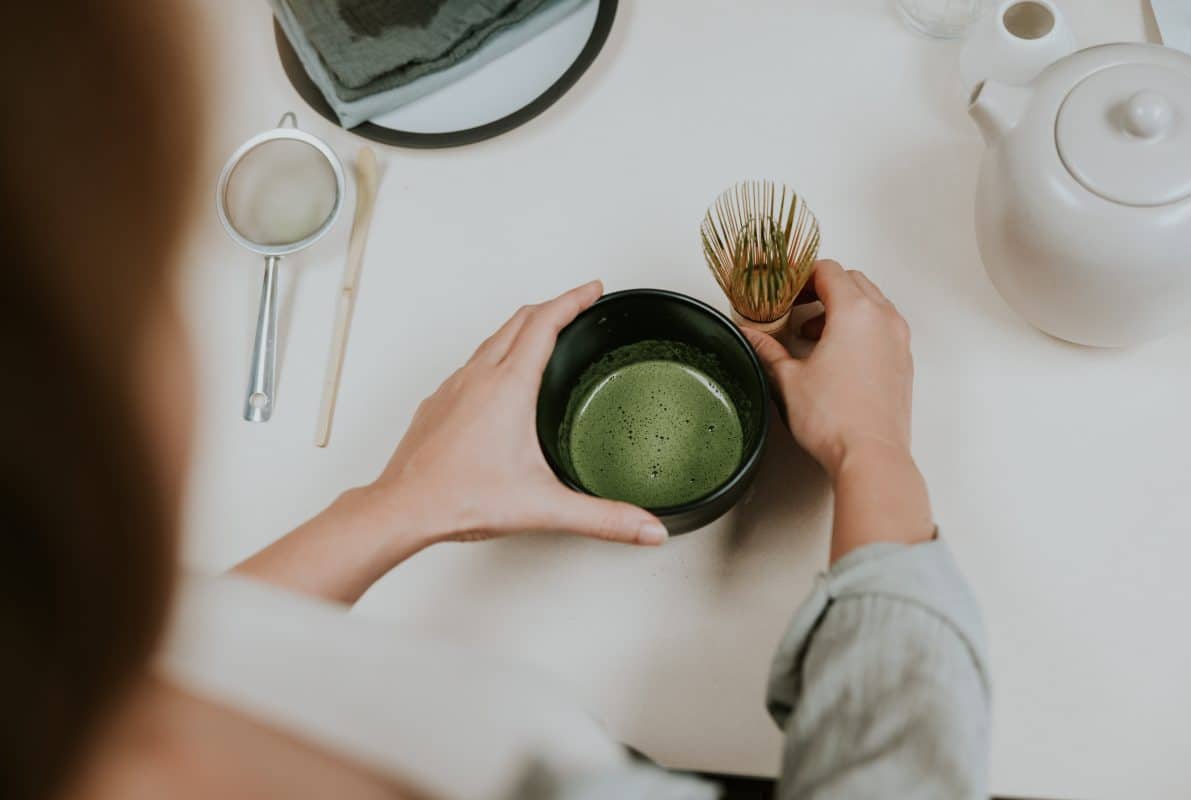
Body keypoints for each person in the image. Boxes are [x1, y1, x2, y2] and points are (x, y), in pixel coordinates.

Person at [3, 3, 989, 799]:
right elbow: (898, 765)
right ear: (78, 417)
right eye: (152, 280)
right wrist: (872, 455)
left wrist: (397, 502)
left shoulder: (82, 698)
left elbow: (195, 652)